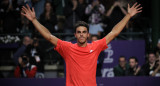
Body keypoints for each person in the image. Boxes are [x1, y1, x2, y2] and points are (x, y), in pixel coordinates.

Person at [21, 2, 142, 86]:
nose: (82, 34)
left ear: (88, 34)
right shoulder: (67, 47)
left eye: (84, 32)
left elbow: (114, 32)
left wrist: (128, 15)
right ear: (75, 35)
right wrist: (34, 20)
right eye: (79, 32)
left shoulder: (95, 46)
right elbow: (48, 36)